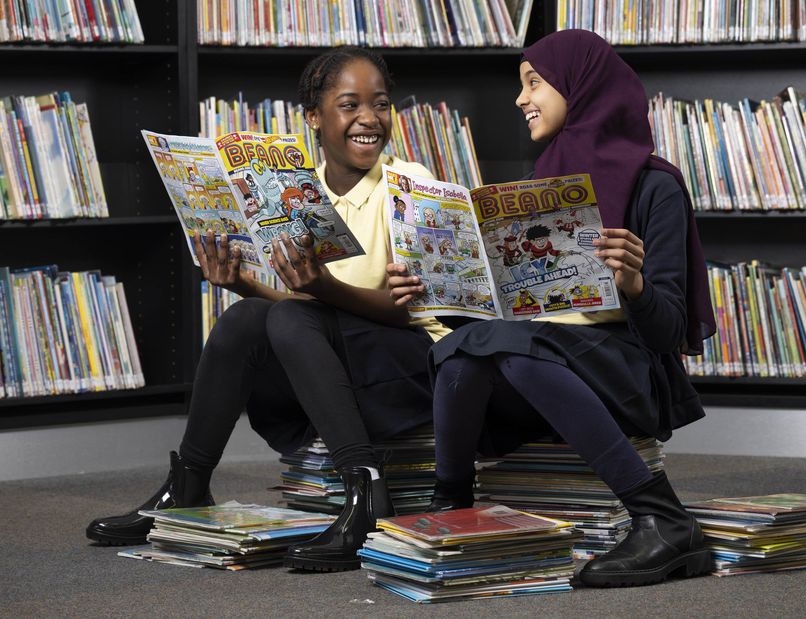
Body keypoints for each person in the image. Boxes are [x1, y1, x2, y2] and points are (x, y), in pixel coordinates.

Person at [86, 47, 449, 573]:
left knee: (287, 316)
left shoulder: (409, 184)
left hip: (410, 361)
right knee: (247, 319)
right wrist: (243, 285)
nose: (369, 119)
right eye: (349, 105)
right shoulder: (301, 195)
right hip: (341, 356)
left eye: (381, 104)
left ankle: (367, 493)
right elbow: (304, 316)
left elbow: (403, 313)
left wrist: (321, 287)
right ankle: (188, 485)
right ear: (313, 118)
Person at [387, 30, 717, 588]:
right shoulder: (541, 184)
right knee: (461, 352)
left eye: (534, 82)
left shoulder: (655, 186)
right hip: (540, 364)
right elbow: (507, 315)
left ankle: (662, 518)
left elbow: (668, 334)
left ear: (580, 86)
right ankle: (453, 510)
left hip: (623, 372)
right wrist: (443, 288)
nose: (520, 98)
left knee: (518, 351)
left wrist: (634, 284)